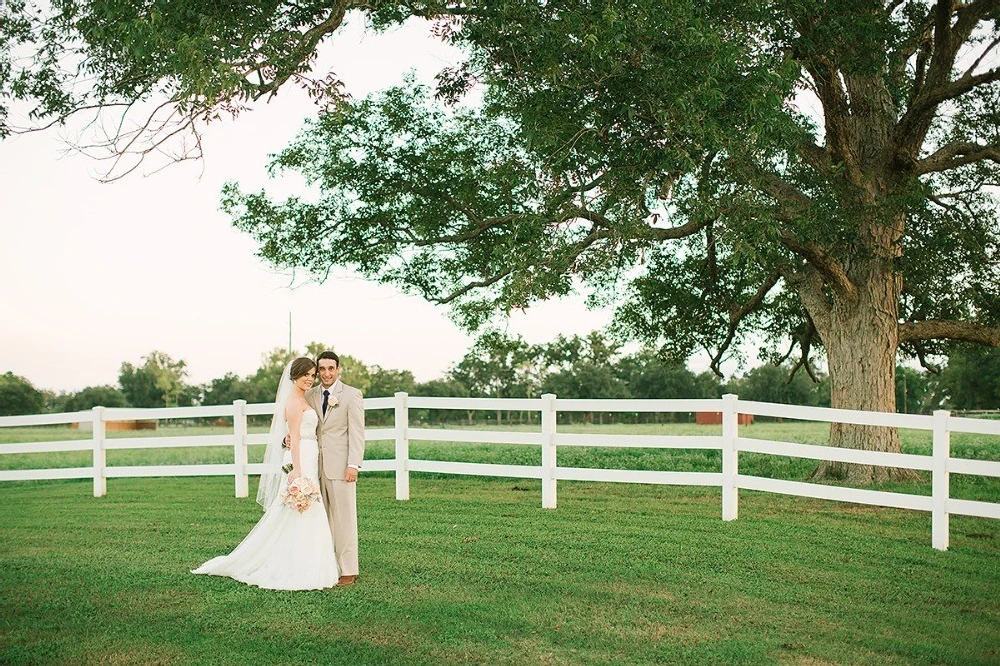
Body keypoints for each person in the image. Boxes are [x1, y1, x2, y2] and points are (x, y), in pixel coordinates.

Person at [191, 357, 338, 590]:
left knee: (305, 509)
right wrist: (298, 469)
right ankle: (294, 564)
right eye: (305, 375)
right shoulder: (293, 402)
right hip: (300, 459)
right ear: (294, 377)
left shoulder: (303, 398)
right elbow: (296, 438)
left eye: (312, 375)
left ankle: (304, 559)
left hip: (309, 455)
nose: (310, 379)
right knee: (298, 507)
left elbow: (293, 435)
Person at [306, 350, 365, 586]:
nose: (326, 373)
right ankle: (325, 564)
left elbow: (357, 433)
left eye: (331, 368)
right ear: (317, 371)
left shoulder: (351, 395)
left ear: (338, 369)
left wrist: (353, 464)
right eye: (322, 369)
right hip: (314, 466)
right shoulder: (310, 395)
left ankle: (348, 569)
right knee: (319, 519)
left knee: (344, 519)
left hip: (341, 467)